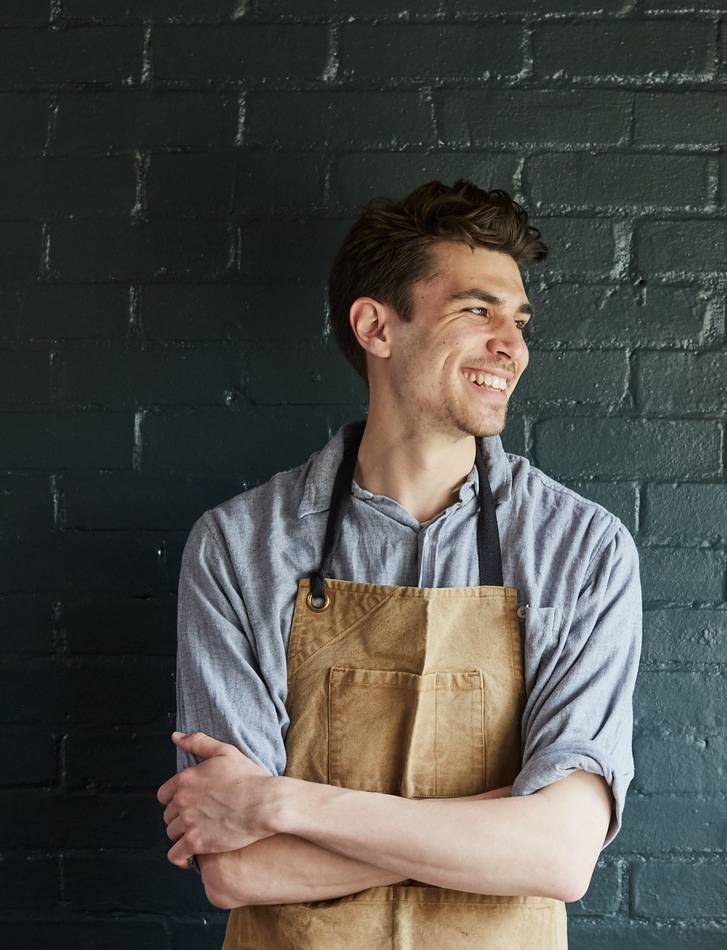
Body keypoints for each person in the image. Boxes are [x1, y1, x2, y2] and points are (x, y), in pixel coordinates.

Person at [156, 178, 642, 949]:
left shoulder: (581, 549)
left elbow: (559, 853)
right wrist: (489, 828)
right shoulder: (239, 547)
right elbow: (238, 868)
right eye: (476, 310)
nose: (512, 346)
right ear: (377, 327)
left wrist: (280, 805)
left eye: (518, 320)